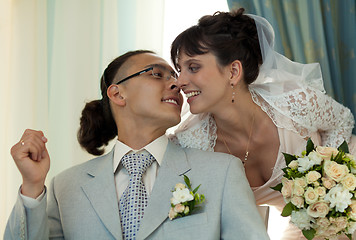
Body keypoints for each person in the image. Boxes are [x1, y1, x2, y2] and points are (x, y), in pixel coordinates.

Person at [4, 50, 269, 240]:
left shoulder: (221, 172)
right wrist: (32, 187)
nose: (177, 83)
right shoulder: (67, 186)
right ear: (118, 93)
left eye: (174, 76)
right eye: (157, 74)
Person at [169, 8, 356, 240]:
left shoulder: (292, 102)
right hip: (307, 227)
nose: (180, 82)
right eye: (179, 70)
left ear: (233, 71)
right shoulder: (190, 143)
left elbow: (342, 121)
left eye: (193, 67)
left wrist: (330, 178)